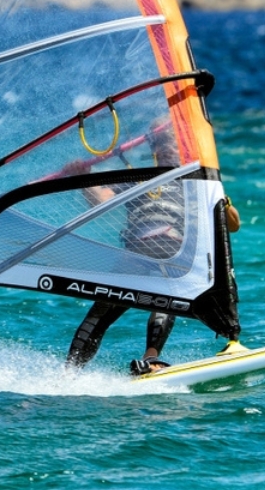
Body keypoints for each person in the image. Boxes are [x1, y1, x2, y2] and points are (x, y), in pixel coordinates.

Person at [63, 125, 240, 375]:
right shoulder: (139, 178)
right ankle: (69, 373)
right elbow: (100, 199)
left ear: (183, 149)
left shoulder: (196, 182)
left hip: (173, 250)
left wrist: (222, 198)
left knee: (167, 298)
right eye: (162, 142)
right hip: (135, 252)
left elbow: (233, 225)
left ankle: (151, 360)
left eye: (173, 142)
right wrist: (81, 178)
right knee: (100, 312)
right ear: (154, 148)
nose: (168, 147)